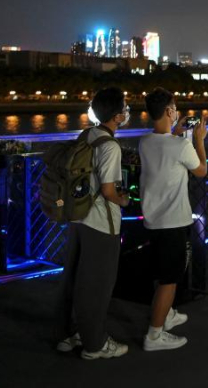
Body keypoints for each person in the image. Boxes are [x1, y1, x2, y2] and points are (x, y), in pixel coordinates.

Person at [55, 87, 131, 360]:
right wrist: (124, 201)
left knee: (74, 277)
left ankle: (68, 333)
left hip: (78, 216)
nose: (126, 112)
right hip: (101, 223)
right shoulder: (109, 146)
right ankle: (95, 344)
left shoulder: (87, 135)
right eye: (124, 107)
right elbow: (109, 191)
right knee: (97, 285)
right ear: (116, 115)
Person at [139, 88, 207, 351]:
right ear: (169, 111)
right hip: (173, 222)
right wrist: (198, 140)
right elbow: (201, 170)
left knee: (162, 271)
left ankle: (165, 314)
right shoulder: (180, 146)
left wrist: (177, 133)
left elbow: (164, 147)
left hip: (153, 220)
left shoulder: (145, 142)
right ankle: (154, 335)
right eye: (174, 107)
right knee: (170, 278)